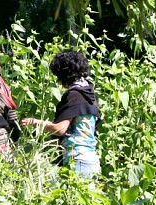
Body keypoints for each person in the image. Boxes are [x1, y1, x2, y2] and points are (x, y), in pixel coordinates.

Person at [20, 50, 101, 178]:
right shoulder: (89, 94)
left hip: (77, 160)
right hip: (92, 161)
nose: (58, 81)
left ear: (65, 75)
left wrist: (35, 122)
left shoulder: (74, 95)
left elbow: (60, 129)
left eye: (58, 76)